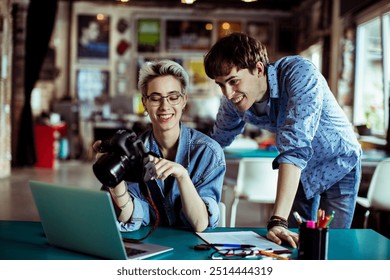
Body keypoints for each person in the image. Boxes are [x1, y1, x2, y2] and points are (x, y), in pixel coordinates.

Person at [203, 32, 362, 248]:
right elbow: (215, 143)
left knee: (330, 247)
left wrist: (278, 220)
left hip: (338, 164)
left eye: (233, 81)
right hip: (301, 173)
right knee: (292, 244)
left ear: (259, 69)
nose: (228, 94)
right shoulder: (232, 100)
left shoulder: (299, 72)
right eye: (221, 85)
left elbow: (295, 146)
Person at [93, 60, 226, 233]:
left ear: (184, 100)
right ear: (145, 103)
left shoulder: (208, 152)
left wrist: (182, 175)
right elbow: (127, 215)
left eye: (173, 97)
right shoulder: (133, 152)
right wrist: (114, 178)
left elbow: (200, 224)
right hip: (148, 248)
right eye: (155, 98)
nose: (165, 106)